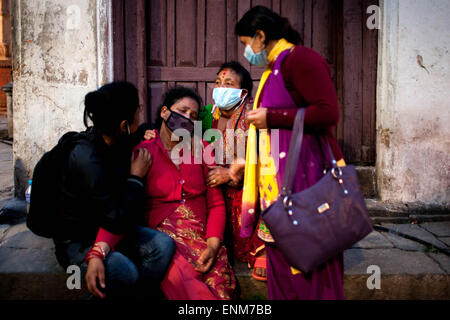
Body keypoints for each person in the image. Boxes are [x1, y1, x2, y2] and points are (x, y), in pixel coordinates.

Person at [235, 6, 346, 300]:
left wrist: (272, 117)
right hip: (279, 188)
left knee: (310, 273)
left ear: (261, 36)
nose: (247, 51)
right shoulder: (275, 68)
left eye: (247, 43)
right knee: (283, 273)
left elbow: (327, 112)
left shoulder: (301, 59)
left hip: (306, 183)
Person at [97, 86, 237, 300]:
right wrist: (99, 250)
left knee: (221, 287)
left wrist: (213, 244)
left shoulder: (202, 149)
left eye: (193, 116)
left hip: (202, 239)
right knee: (191, 287)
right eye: (182, 111)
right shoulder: (142, 153)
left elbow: (216, 204)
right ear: (164, 112)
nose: (187, 118)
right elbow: (122, 207)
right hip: (165, 240)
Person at [54, 81, 175, 299]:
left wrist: (149, 132)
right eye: (137, 109)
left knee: (162, 246)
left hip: (111, 228)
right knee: (124, 271)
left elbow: (142, 129)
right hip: (79, 240)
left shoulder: (117, 139)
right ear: (122, 124)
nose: (141, 113)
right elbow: (116, 218)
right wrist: (136, 178)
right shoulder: (88, 159)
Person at [203, 61, 267, 282]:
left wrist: (233, 173)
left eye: (228, 84)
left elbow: (268, 154)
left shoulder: (254, 116)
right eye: (218, 83)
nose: (221, 88)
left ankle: (263, 247)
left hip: (248, 187)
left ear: (243, 92)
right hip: (217, 187)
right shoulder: (208, 114)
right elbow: (178, 124)